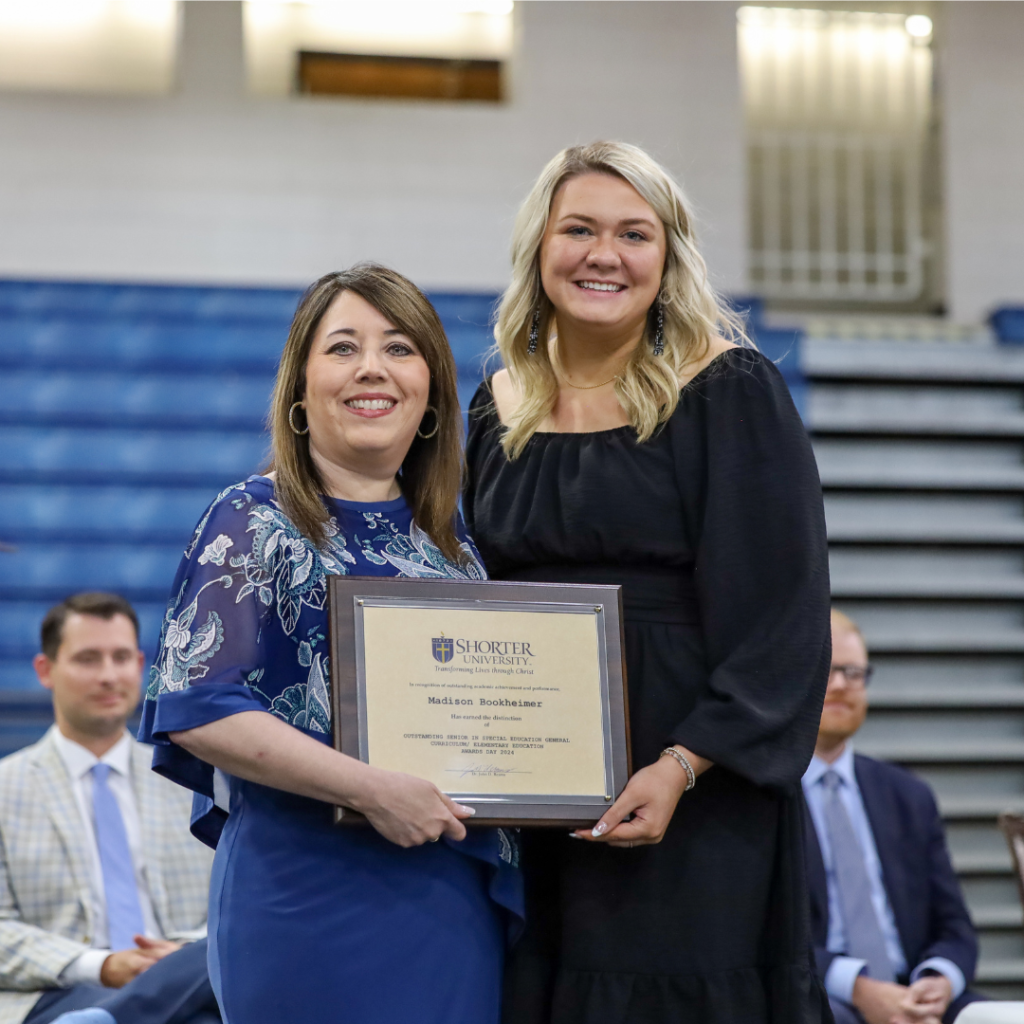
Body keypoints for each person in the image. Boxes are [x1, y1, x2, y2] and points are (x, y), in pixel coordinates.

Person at [464, 140, 832, 1023]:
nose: (604, 254)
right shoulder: (495, 403)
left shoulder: (728, 387)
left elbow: (784, 613)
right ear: (539, 247)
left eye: (635, 233)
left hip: (694, 792)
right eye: (579, 229)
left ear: (668, 257)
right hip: (536, 781)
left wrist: (680, 765)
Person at [138, 264, 522, 1024]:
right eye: (343, 348)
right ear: (301, 391)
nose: (373, 368)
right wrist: (373, 790)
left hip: (449, 897)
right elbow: (198, 706)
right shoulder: (253, 519)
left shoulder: (459, 543)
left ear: (433, 395)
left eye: (401, 348)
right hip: (305, 896)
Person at [0, 592, 218, 1024]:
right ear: (46, 670)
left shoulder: (191, 780)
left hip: (185, 976)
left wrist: (178, 958)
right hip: (60, 991)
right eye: (87, 659)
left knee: (220, 955)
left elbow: (232, 906)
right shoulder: (5, 788)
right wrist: (100, 965)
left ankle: (114, 1017)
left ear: (140, 666)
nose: (108, 675)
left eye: (121, 658)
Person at [803, 609, 985, 1024]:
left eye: (853, 672)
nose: (840, 685)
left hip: (916, 992)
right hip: (819, 994)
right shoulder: (763, 799)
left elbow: (955, 926)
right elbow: (763, 934)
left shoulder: (908, 794)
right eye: (825, 670)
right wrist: (861, 988)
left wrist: (939, 979)